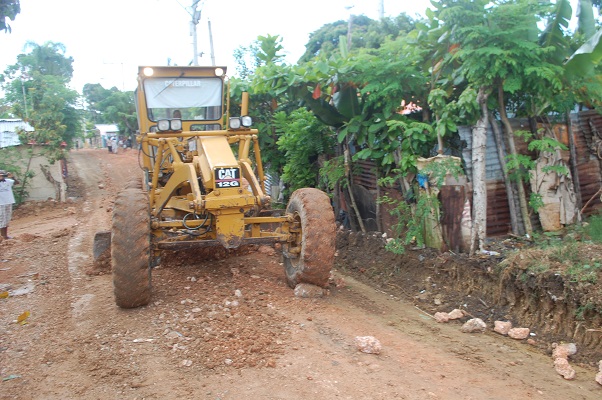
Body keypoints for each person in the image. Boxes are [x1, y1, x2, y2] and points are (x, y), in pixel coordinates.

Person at [0, 170, 20, 240]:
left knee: (6, 219)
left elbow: (17, 183)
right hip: (1, 203)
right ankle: (2, 236)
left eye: (2, 175)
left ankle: (5, 235)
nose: (1, 177)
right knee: (1, 219)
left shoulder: (8, 181)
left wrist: (12, 177)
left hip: (8, 202)